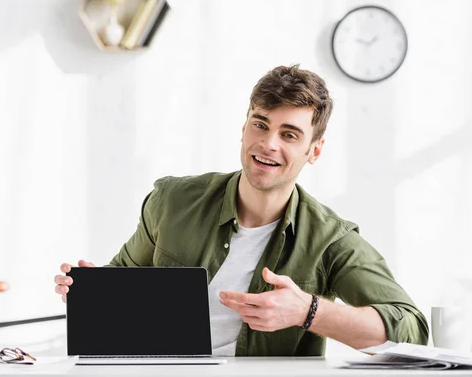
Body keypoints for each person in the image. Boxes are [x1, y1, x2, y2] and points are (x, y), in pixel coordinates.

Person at [54, 64, 429, 357]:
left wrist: (308, 312)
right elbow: (122, 284)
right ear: (244, 127)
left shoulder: (331, 239)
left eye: (289, 134)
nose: (268, 144)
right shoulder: (172, 201)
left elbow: (411, 331)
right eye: (260, 124)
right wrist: (91, 291)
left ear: (314, 151)